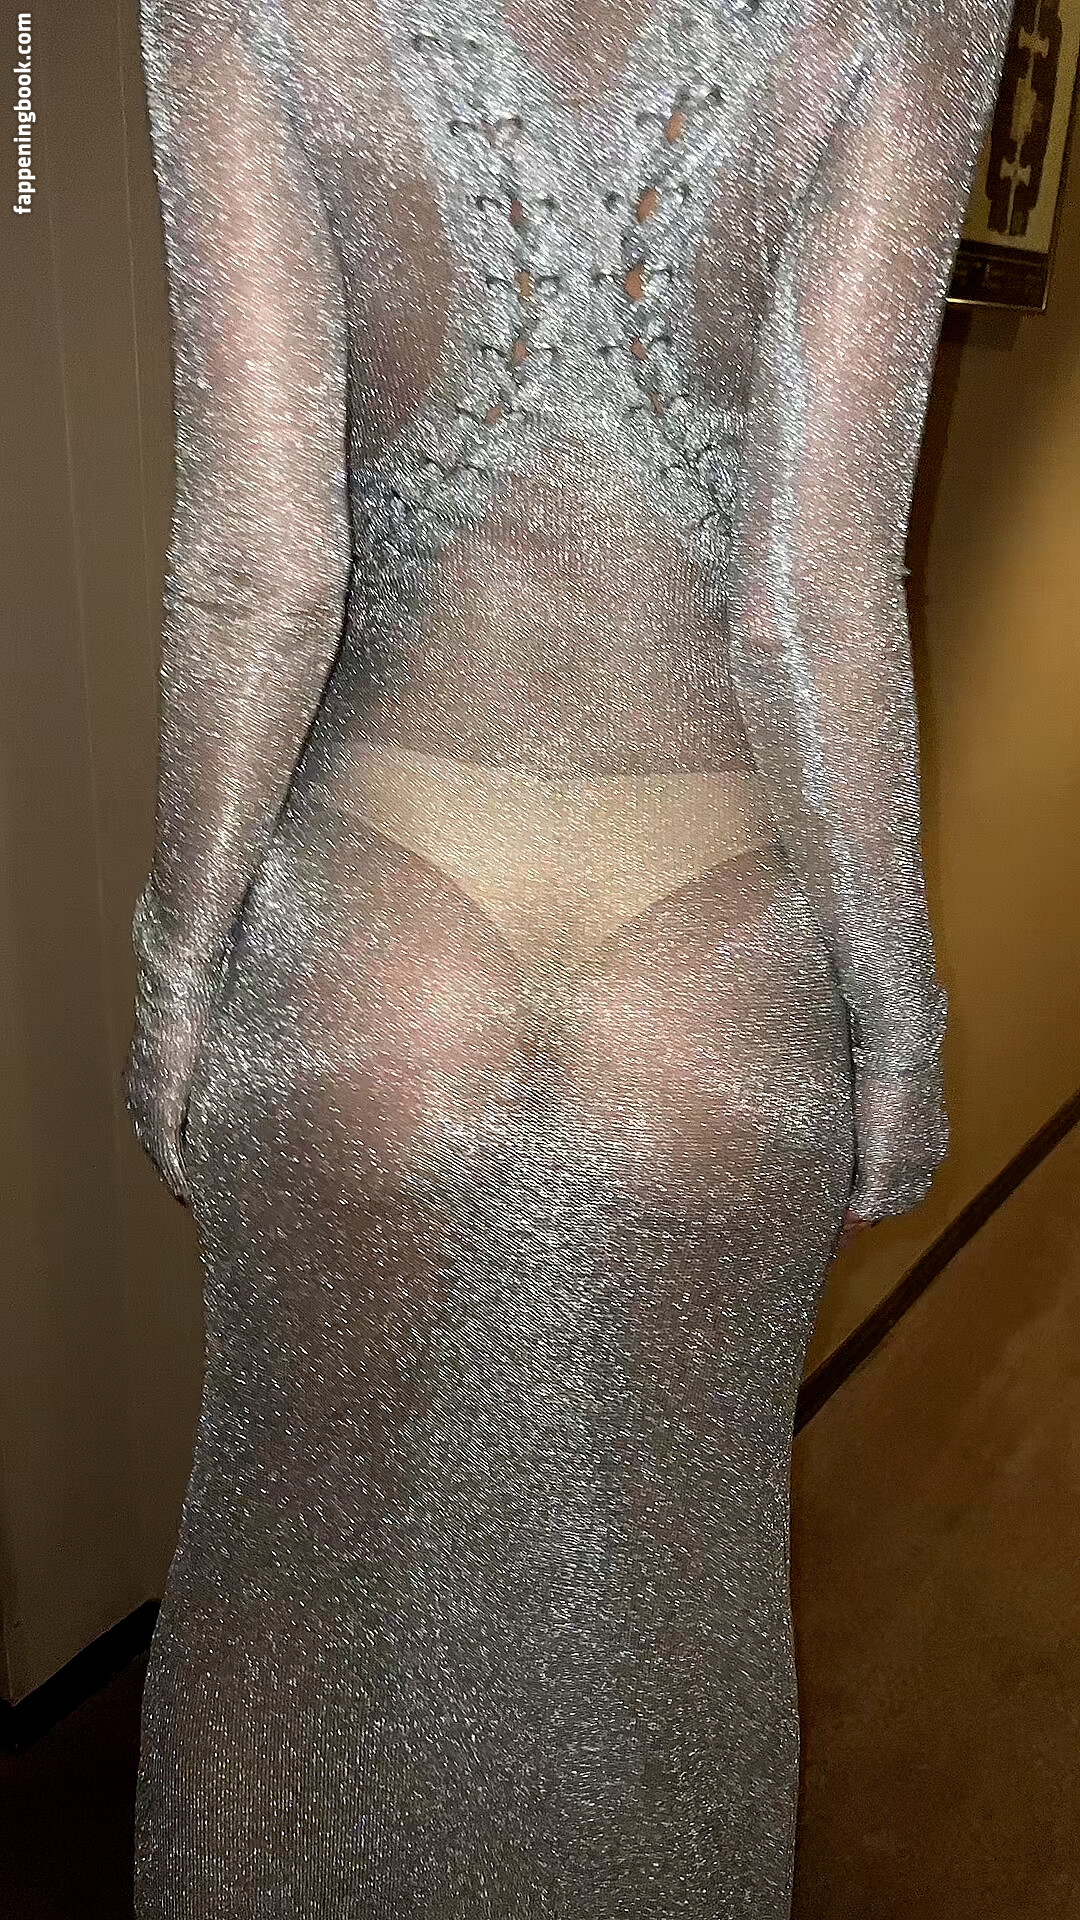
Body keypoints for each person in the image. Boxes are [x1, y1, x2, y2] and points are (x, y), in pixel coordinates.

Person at [124, 0, 1011, 1911]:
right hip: (718, 970)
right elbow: (808, 599)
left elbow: (261, 571)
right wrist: (897, 1024)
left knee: (284, 1627)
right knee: (662, 1672)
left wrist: (179, 973)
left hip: (368, 938)